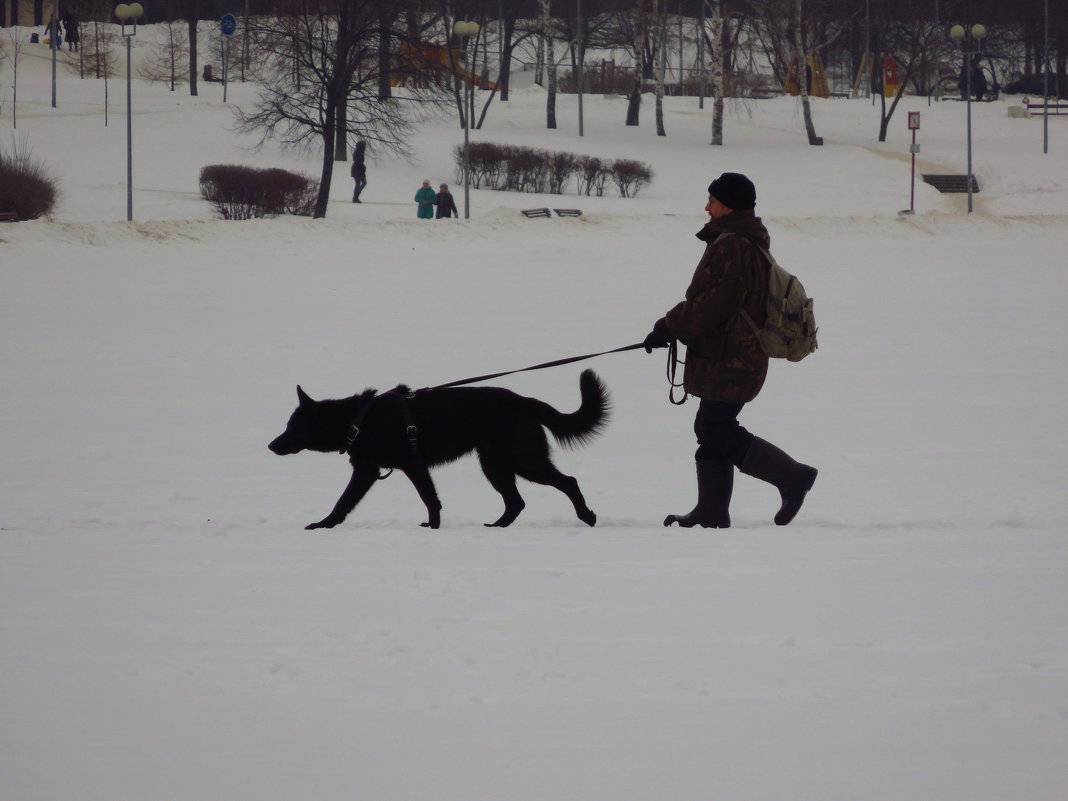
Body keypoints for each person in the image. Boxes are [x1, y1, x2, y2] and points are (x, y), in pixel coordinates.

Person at [642, 172, 817, 528]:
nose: (707, 207)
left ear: (729, 205)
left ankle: (793, 477)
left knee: (716, 428)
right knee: (711, 427)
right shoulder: (740, 241)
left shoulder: (733, 244)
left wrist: (670, 325)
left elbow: (715, 303)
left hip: (734, 356)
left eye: (712, 200)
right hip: (731, 354)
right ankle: (711, 511)